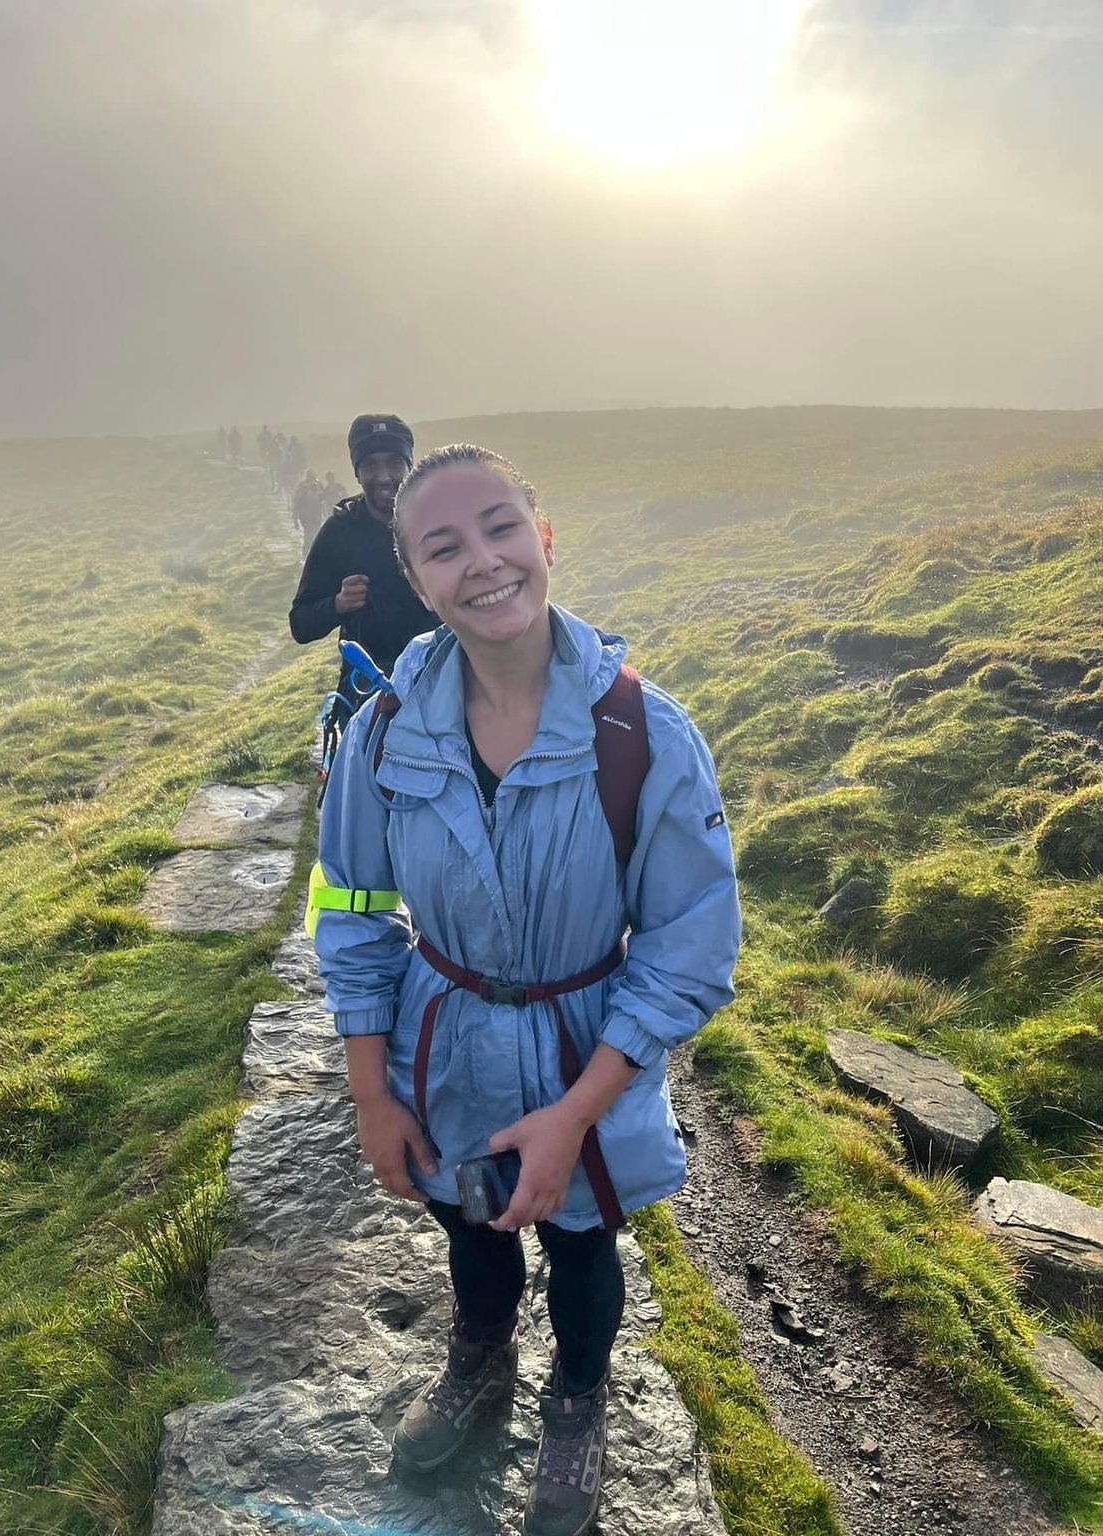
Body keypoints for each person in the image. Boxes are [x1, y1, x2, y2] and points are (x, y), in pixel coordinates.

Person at [311, 444, 740, 1536]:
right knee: (470, 1220)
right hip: (443, 1042)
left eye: (502, 527)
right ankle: (480, 1352)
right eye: (444, 546)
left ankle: (579, 1398)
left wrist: (577, 1114)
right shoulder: (384, 734)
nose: (483, 561)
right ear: (417, 580)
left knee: (586, 1242)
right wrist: (372, 1095)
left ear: (543, 539)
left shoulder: (642, 735)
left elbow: (688, 947)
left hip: (582, 1048)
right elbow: (352, 909)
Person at [288, 414, 432, 721]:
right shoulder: (339, 532)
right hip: (370, 698)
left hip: (442, 682)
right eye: (370, 465)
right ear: (357, 473)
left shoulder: (437, 521)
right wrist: (338, 604)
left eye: (394, 462)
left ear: (410, 465)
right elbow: (300, 624)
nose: (384, 476)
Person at [291, 469, 326, 556]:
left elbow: (323, 505)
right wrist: (295, 519)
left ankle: (313, 553)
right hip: (306, 518)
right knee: (308, 535)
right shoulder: (303, 494)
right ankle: (306, 553)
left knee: (316, 535)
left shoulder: (319, 495)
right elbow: (297, 504)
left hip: (316, 518)